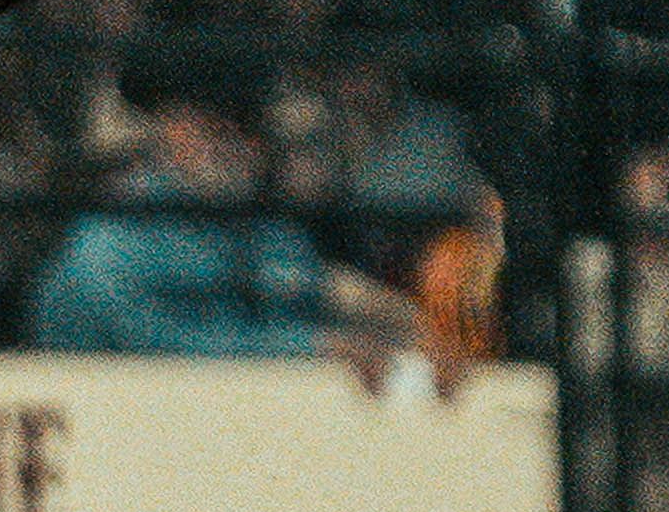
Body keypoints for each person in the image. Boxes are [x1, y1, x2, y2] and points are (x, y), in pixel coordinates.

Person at [28, 104, 408, 358]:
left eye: (248, 130)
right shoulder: (108, 244)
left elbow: (319, 289)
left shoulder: (261, 227)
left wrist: (416, 328)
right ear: (169, 129)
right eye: (214, 128)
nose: (238, 147)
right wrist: (313, 346)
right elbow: (162, 352)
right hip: (123, 439)